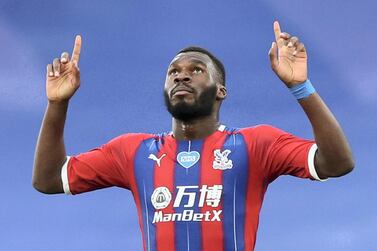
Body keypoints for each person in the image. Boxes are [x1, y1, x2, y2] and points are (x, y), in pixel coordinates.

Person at [33, 21, 354, 251]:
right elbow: (48, 179)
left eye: (197, 70)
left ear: (221, 91)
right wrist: (57, 104)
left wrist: (301, 87)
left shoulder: (256, 146)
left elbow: (337, 163)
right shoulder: (132, 152)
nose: (182, 75)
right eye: (173, 72)